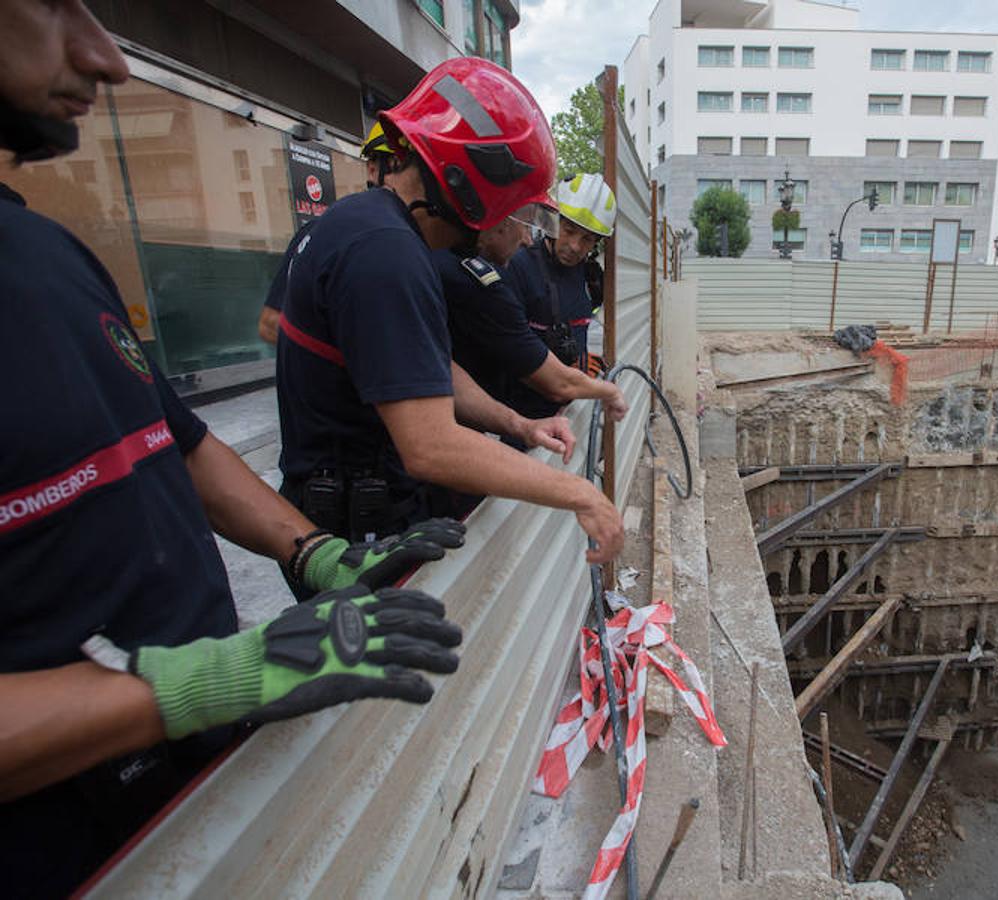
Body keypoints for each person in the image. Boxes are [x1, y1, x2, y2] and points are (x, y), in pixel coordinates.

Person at [0, 3, 466, 895]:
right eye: (53, 3)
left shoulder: (47, 253)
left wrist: (315, 551)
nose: (107, 57)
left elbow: (176, 442)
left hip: (183, 785)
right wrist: (201, 682)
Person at [274, 56, 624, 560]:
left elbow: (425, 371)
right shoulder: (385, 253)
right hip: (354, 535)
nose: (526, 237)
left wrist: (517, 424)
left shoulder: (376, 229)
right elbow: (431, 445)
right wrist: (581, 494)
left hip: (362, 510)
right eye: (516, 212)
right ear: (474, 189)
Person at [484, 172, 618, 422]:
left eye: (587, 239)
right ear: (552, 221)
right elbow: (507, 350)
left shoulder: (591, 277)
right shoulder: (518, 268)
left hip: (570, 408)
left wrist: (581, 361)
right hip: (522, 419)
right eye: (569, 230)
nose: (575, 246)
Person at [258, 124, 396, 345]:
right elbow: (270, 324)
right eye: (398, 165)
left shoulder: (429, 244)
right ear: (372, 169)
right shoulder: (324, 234)